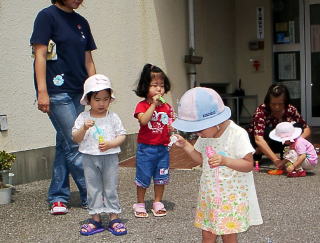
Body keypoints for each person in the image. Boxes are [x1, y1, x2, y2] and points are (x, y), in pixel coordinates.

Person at [30, 0, 97, 214]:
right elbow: (39, 54)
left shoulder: (81, 22)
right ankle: (94, 196)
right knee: (76, 144)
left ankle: (58, 197)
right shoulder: (47, 16)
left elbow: (88, 60)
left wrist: (96, 90)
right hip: (56, 91)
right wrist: (42, 92)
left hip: (79, 92)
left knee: (65, 143)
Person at [171, 87, 263, 243]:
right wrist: (186, 145)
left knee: (228, 235)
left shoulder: (237, 134)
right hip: (209, 196)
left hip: (231, 198)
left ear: (216, 121)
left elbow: (248, 164)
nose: (198, 134)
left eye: (200, 130)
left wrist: (225, 161)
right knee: (207, 234)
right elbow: (201, 159)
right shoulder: (207, 135)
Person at [72, 74, 127, 236]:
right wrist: (84, 128)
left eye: (106, 99)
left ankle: (114, 217)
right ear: (88, 100)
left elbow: (122, 135)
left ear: (110, 99)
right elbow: (75, 138)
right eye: (97, 99)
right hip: (89, 157)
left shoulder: (113, 117)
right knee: (93, 187)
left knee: (110, 186)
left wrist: (111, 144)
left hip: (110, 157)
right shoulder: (83, 117)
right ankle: (95, 218)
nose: (102, 103)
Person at [132, 63, 174, 218]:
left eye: (162, 86)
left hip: (162, 149)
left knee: (161, 177)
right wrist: (154, 105)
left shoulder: (167, 107)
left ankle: (157, 202)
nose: (159, 89)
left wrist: (172, 129)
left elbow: (170, 123)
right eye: (155, 85)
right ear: (145, 87)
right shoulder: (142, 105)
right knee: (143, 176)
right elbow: (143, 121)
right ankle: (140, 203)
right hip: (146, 149)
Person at [248, 84, 311, 168]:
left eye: (280, 104)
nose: (277, 107)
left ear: (285, 102)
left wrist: (296, 142)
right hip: (264, 142)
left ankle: (287, 155)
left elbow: (306, 129)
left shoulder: (290, 109)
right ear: (268, 102)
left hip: (283, 142)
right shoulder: (261, 110)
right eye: (273, 104)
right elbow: (258, 139)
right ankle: (258, 153)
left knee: (297, 127)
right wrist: (275, 160)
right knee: (267, 131)